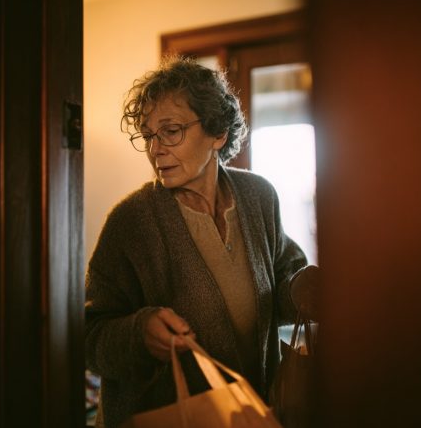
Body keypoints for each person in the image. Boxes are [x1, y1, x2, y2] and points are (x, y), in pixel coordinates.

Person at [85, 56, 314, 428]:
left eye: (171, 131)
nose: (155, 149)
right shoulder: (131, 221)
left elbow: (282, 284)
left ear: (218, 132)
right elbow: (89, 337)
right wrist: (140, 332)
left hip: (250, 416)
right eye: (148, 135)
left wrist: (305, 288)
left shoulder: (258, 197)